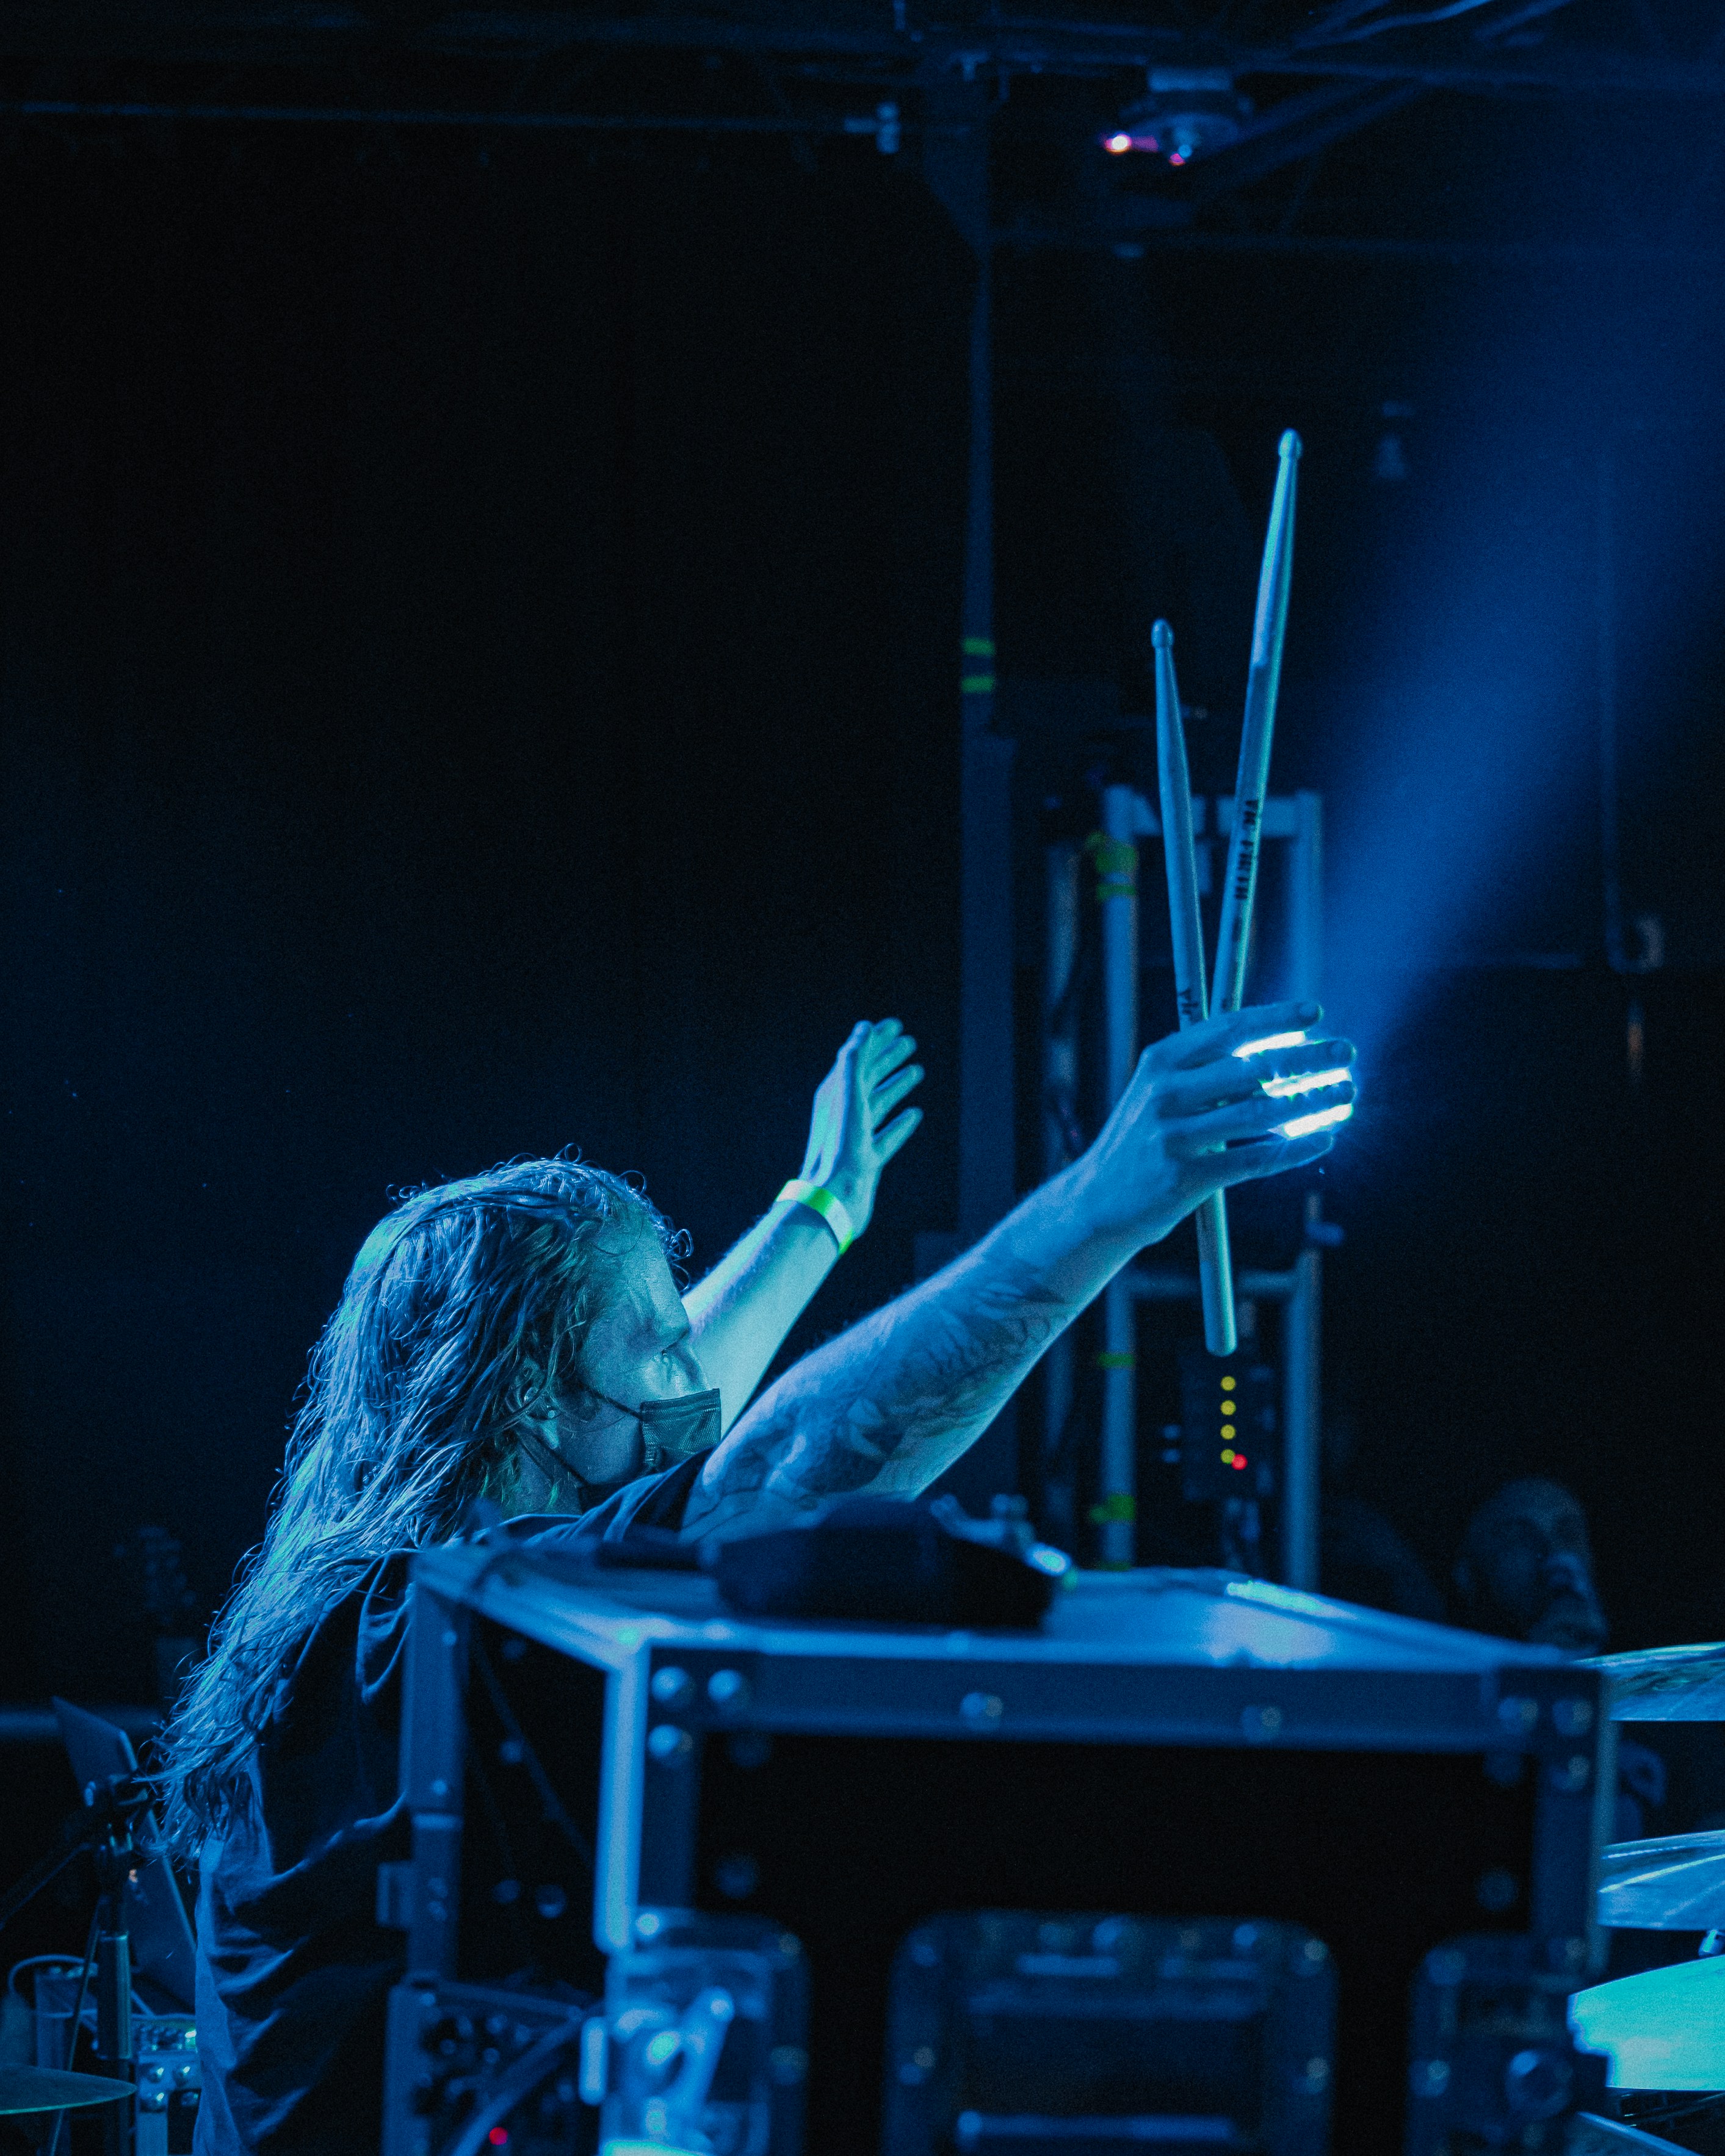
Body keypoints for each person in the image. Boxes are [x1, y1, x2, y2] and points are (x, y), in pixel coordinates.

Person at [157, 1000, 1353, 2155]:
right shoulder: (412, 1625)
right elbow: (772, 1462)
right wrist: (1102, 1202)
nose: (694, 1378)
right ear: (527, 1392)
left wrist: (820, 1210)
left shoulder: (368, 1610)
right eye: (662, 1341)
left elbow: (652, 1406)